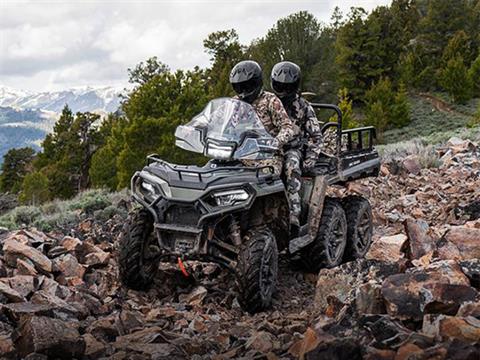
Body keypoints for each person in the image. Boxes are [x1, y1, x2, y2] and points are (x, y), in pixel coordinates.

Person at [271, 61, 323, 234]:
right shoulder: (268, 102)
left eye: (287, 86)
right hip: (268, 147)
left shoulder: (303, 106)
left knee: (291, 166)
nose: (283, 90)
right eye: (280, 86)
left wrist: (310, 159)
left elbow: (316, 135)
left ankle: (294, 213)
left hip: (292, 148)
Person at [229, 60, 297, 176]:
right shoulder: (234, 103)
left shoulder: (271, 100)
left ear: (256, 83)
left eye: (247, 86)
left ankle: (292, 194)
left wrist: (274, 143)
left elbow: (287, 127)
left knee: (267, 177)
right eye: (240, 87)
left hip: (266, 155)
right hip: (238, 154)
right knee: (214, 172)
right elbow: (219, 122)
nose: (244, 91)